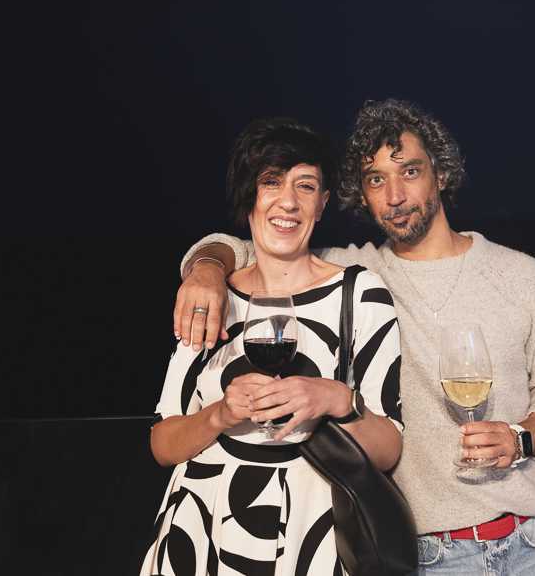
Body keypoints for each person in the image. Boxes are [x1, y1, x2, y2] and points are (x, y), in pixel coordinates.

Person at [172, 99, 535, 575]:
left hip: (529, 541)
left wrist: (522, 439)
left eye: (410, 172)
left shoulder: (522, 275)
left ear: (441, 174)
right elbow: (258, 246)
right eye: (375, 180)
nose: (394, 195)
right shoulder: (356, 274)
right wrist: (206, 268)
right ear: (361, 195)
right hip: (422, 552)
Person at [140, 117, 403, 576]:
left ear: (322, 204)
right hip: (203, 526)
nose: (288, 201)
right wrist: (220, 414)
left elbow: (388, 450)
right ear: (249, 196)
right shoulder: (211, 296)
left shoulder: (360, 294)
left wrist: (337, 399)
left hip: (312, 529)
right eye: (271, 182)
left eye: (306, 186)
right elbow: (163, 444)